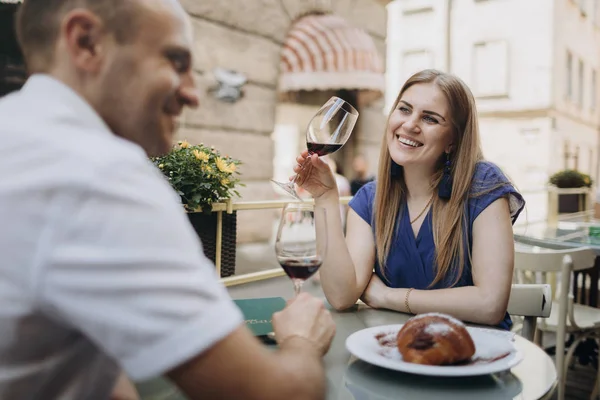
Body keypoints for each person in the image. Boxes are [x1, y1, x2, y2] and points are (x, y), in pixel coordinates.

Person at [0, 1, 335, 399]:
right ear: (86, 42)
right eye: (176, 61)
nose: (194, 93)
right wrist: (302, 340)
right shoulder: (101, 173)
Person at [293, 69, 525, 330]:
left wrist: (388, 297)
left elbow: (490, 304)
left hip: (476, 353)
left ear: (452, 141)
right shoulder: (370, 198)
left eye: (430, 118)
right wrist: (325, 198)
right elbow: (341, 296)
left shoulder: (483, 185)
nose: (410, 124)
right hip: (396, 351)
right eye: (404, 109)